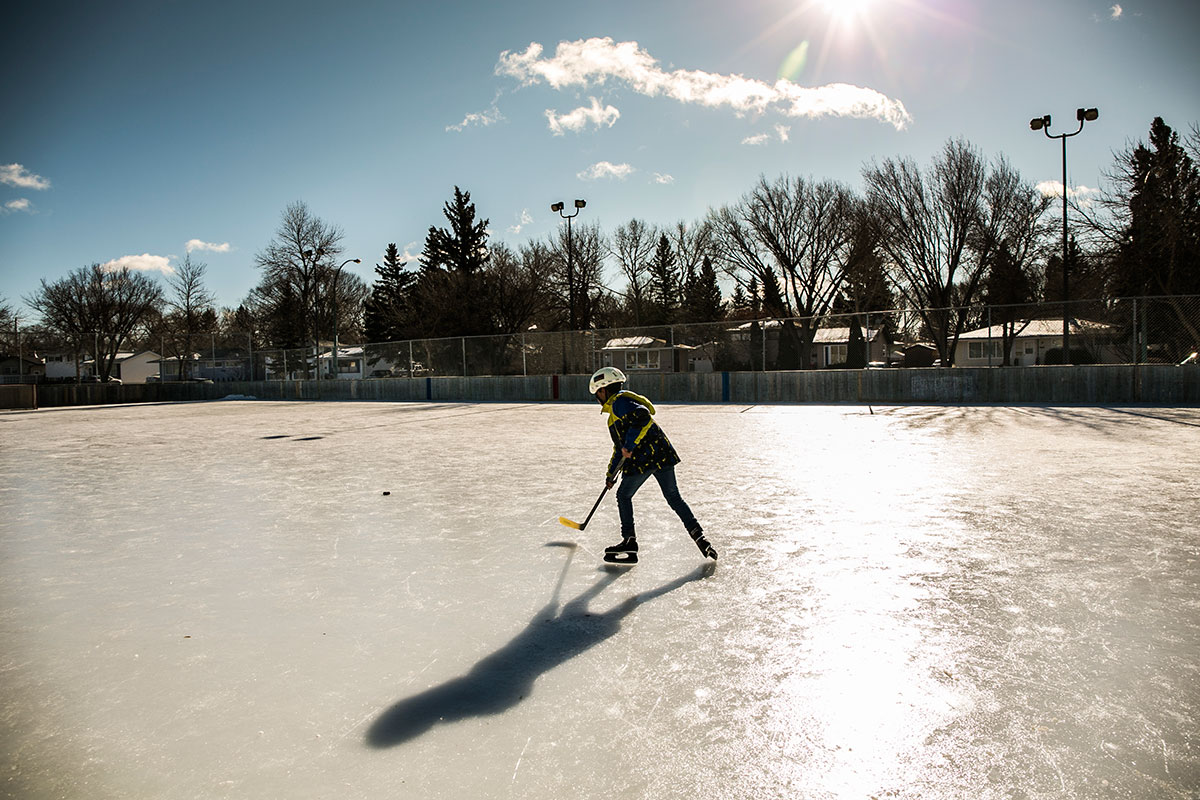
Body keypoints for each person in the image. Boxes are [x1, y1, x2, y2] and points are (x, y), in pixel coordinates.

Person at [588, 366, 717, 563]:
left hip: (644, 459)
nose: (597, 398)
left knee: (624, 495)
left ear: (604, 389)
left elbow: (643, 416)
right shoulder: (617, 409)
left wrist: (630, 445)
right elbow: (619, 448)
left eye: (597, 393)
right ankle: (700, 538)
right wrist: (611, 474)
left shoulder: (619, 403)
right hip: (662, 454)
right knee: (674, 497)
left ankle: (629, 542)